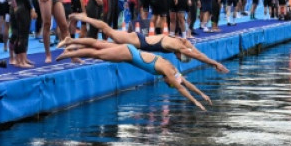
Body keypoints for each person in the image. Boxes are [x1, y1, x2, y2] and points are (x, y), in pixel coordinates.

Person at [56, 40, 211, 110]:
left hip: (130, 52)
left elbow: (185, 83)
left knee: (99, 45)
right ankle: (69, 52)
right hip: (128, 54)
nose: (166, 82)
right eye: (168, 83)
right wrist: (194, 101)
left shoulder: (173, 69)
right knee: (98, 54)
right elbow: (181, 88)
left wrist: (201, 94)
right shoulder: (169, 73)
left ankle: (71, 42)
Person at [65, 13, 228, 73]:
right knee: (108, 31)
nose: (177, 59)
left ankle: (73, 43)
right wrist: (214, 63)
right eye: (179, 58)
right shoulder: (178, 46)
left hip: (137, 45)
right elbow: (198, 55)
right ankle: (83, 18)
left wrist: (214, 63)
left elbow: (195, 50)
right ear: (181, 55)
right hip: (138, 41)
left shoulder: (182, 42)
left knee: (101, 45)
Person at [10, 0, 37, 67]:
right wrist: (32, 8)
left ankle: (21, 59)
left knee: (18, 34)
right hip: (22, 9)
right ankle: (21, 61)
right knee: (22, 35)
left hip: (15, 8)